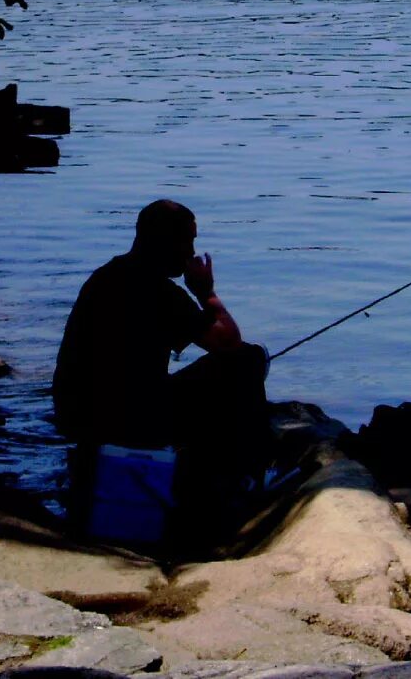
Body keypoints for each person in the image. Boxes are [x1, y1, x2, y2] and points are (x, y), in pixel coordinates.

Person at [52, 199, 271, 539]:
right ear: (164, 242)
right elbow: (228, 342)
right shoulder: (158, 290)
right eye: (188, 242)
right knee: (248, 359)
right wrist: (206, 292)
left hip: (78, 416)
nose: (191, 252)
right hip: (129, 418)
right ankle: (245, 476)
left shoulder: (104, 277)